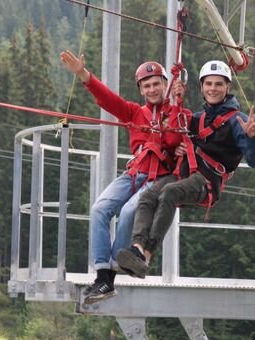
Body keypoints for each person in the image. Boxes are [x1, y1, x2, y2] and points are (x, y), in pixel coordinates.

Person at [60, 50, 191, 303]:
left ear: (165, 84)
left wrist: (176, 106)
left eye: (156, 84)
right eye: (147, 86)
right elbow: (107, 99)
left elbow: (180, 135)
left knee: (131, 211)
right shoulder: (133, 113)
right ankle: (103, 272)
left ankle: (110, 275)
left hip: (158, 177)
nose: (152, 89)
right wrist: (83, 75)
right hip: (134, 173)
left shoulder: (177, 112)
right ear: (141, 90)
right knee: (99, 209)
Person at [116, 60, 255, 277]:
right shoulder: (197, 119)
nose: (213, 89)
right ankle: (137, 248)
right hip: (183, 175)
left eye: (218, 84)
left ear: (227, 88)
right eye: (208, 84)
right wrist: (178, 141)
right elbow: (175, 134)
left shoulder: (237, 121)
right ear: (202, 87)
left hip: (207, 182)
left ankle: (147, 255)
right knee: (148, 196)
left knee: (169, 192)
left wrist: (252, 138)